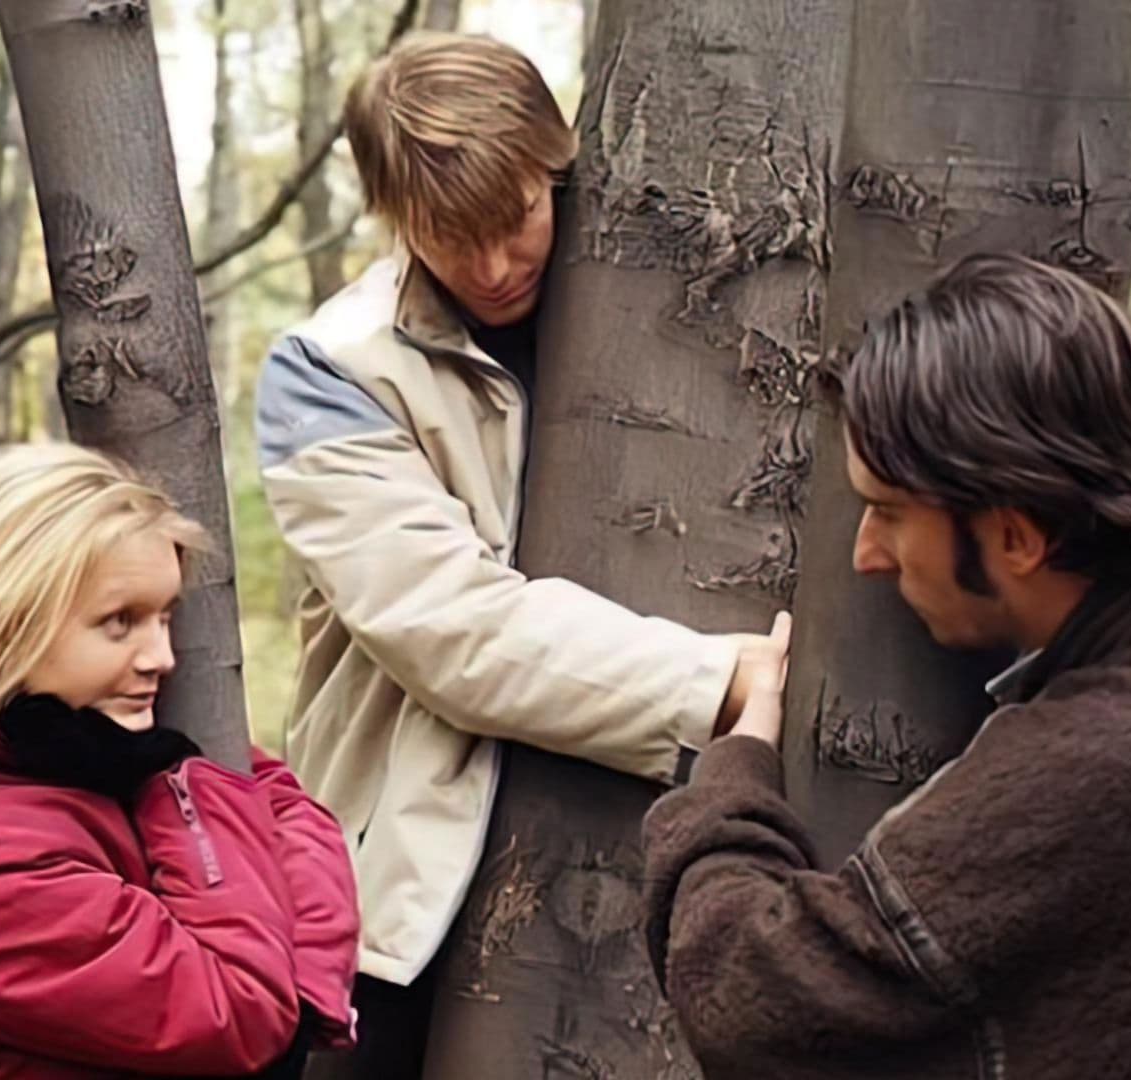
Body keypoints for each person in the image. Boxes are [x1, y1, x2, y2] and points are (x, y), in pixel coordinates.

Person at [641, 254, 1131, 1079]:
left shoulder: (1115, 754)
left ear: (1015, 536)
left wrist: (734, 772)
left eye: (893, 515)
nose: (867, 554)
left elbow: (757, 1000)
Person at [253, 31, 780, 1078]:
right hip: (389, 906)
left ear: (559, 164)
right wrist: (722, 680)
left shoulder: (656, 296)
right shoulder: (327, 374)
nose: (494, 268)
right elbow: (451, 629)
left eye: (516, 220)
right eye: (452, 239)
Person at [0, 443, 360, 1079]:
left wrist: (298, 1000)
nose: (163, 656)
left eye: (166, 617)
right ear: (8, 626)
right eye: (119, 622)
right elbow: (238, 1013)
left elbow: (297, 817)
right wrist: (177, 788)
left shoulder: (91, 752)